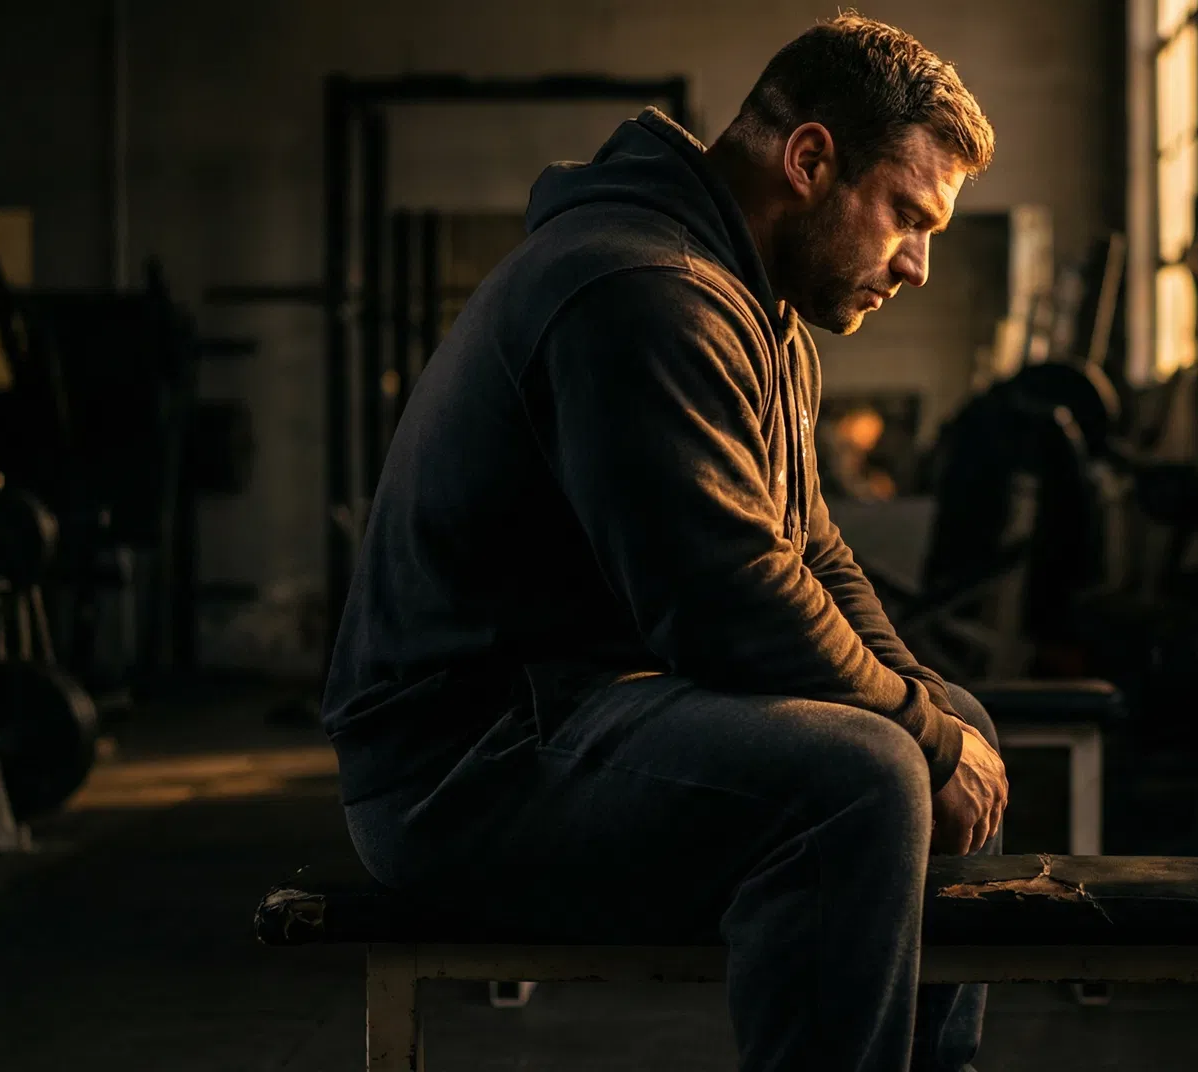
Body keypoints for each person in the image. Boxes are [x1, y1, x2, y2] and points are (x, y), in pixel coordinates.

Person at [321, 13, 1009, 1072]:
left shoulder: (761, 316)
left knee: (952, 721)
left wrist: (928, 705)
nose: (916, 263)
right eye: (908, 216)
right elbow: (727, 602)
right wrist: (913, 732)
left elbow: (815, 557)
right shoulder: (640, 289)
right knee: (863, 776)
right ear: (813, 159)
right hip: (462, 770)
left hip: (578, 714)